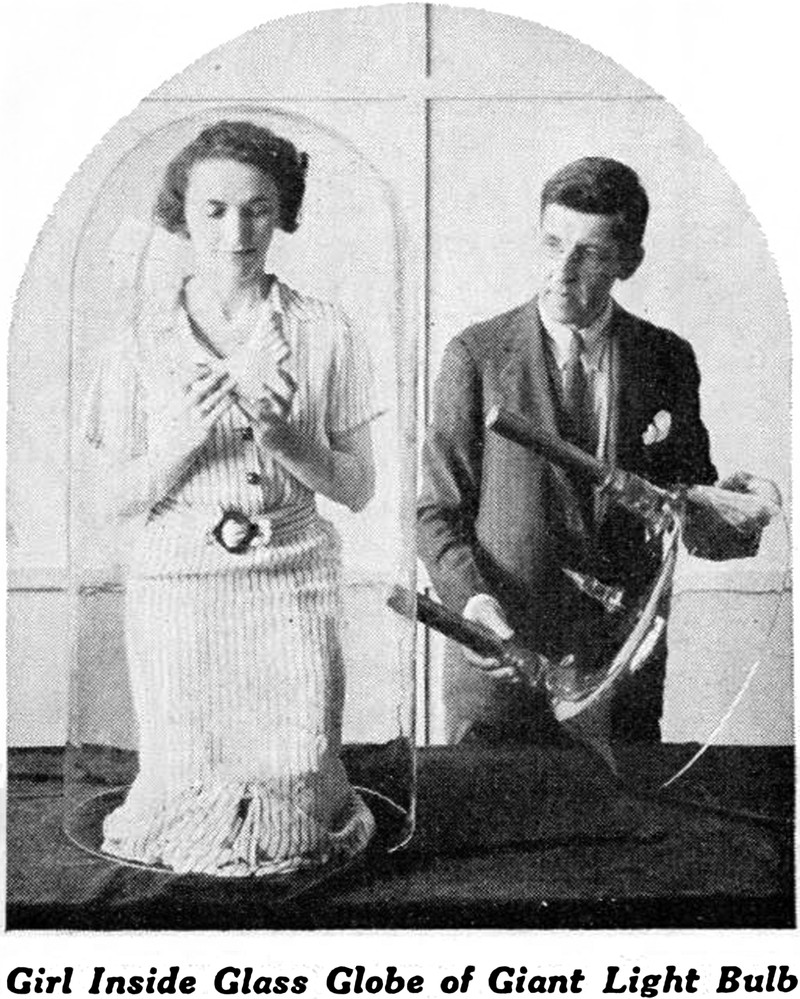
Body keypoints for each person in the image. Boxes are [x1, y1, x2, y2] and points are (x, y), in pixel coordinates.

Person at [83, 120, 381, 875]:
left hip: (292, 579)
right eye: (214, 210)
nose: (236, 232)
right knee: (186, 792)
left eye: (257, 209)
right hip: (177, 587)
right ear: (182, 214)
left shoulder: (326, 331)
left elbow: (358, 487)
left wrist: (290, 442)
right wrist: (177, 445)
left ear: (283, 213)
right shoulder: (139, 338)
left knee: (296, 797)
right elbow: (109, 499)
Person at [417, 156, 776, 746]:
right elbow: (435, 514)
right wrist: (472, 603)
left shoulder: (668, 359)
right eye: (552, 244)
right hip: (504, 676)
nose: (561, 271)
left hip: (621, 674)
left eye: (588, 254)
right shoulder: (475, 356)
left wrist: (743, 512)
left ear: (628, 262)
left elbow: (689, 520)